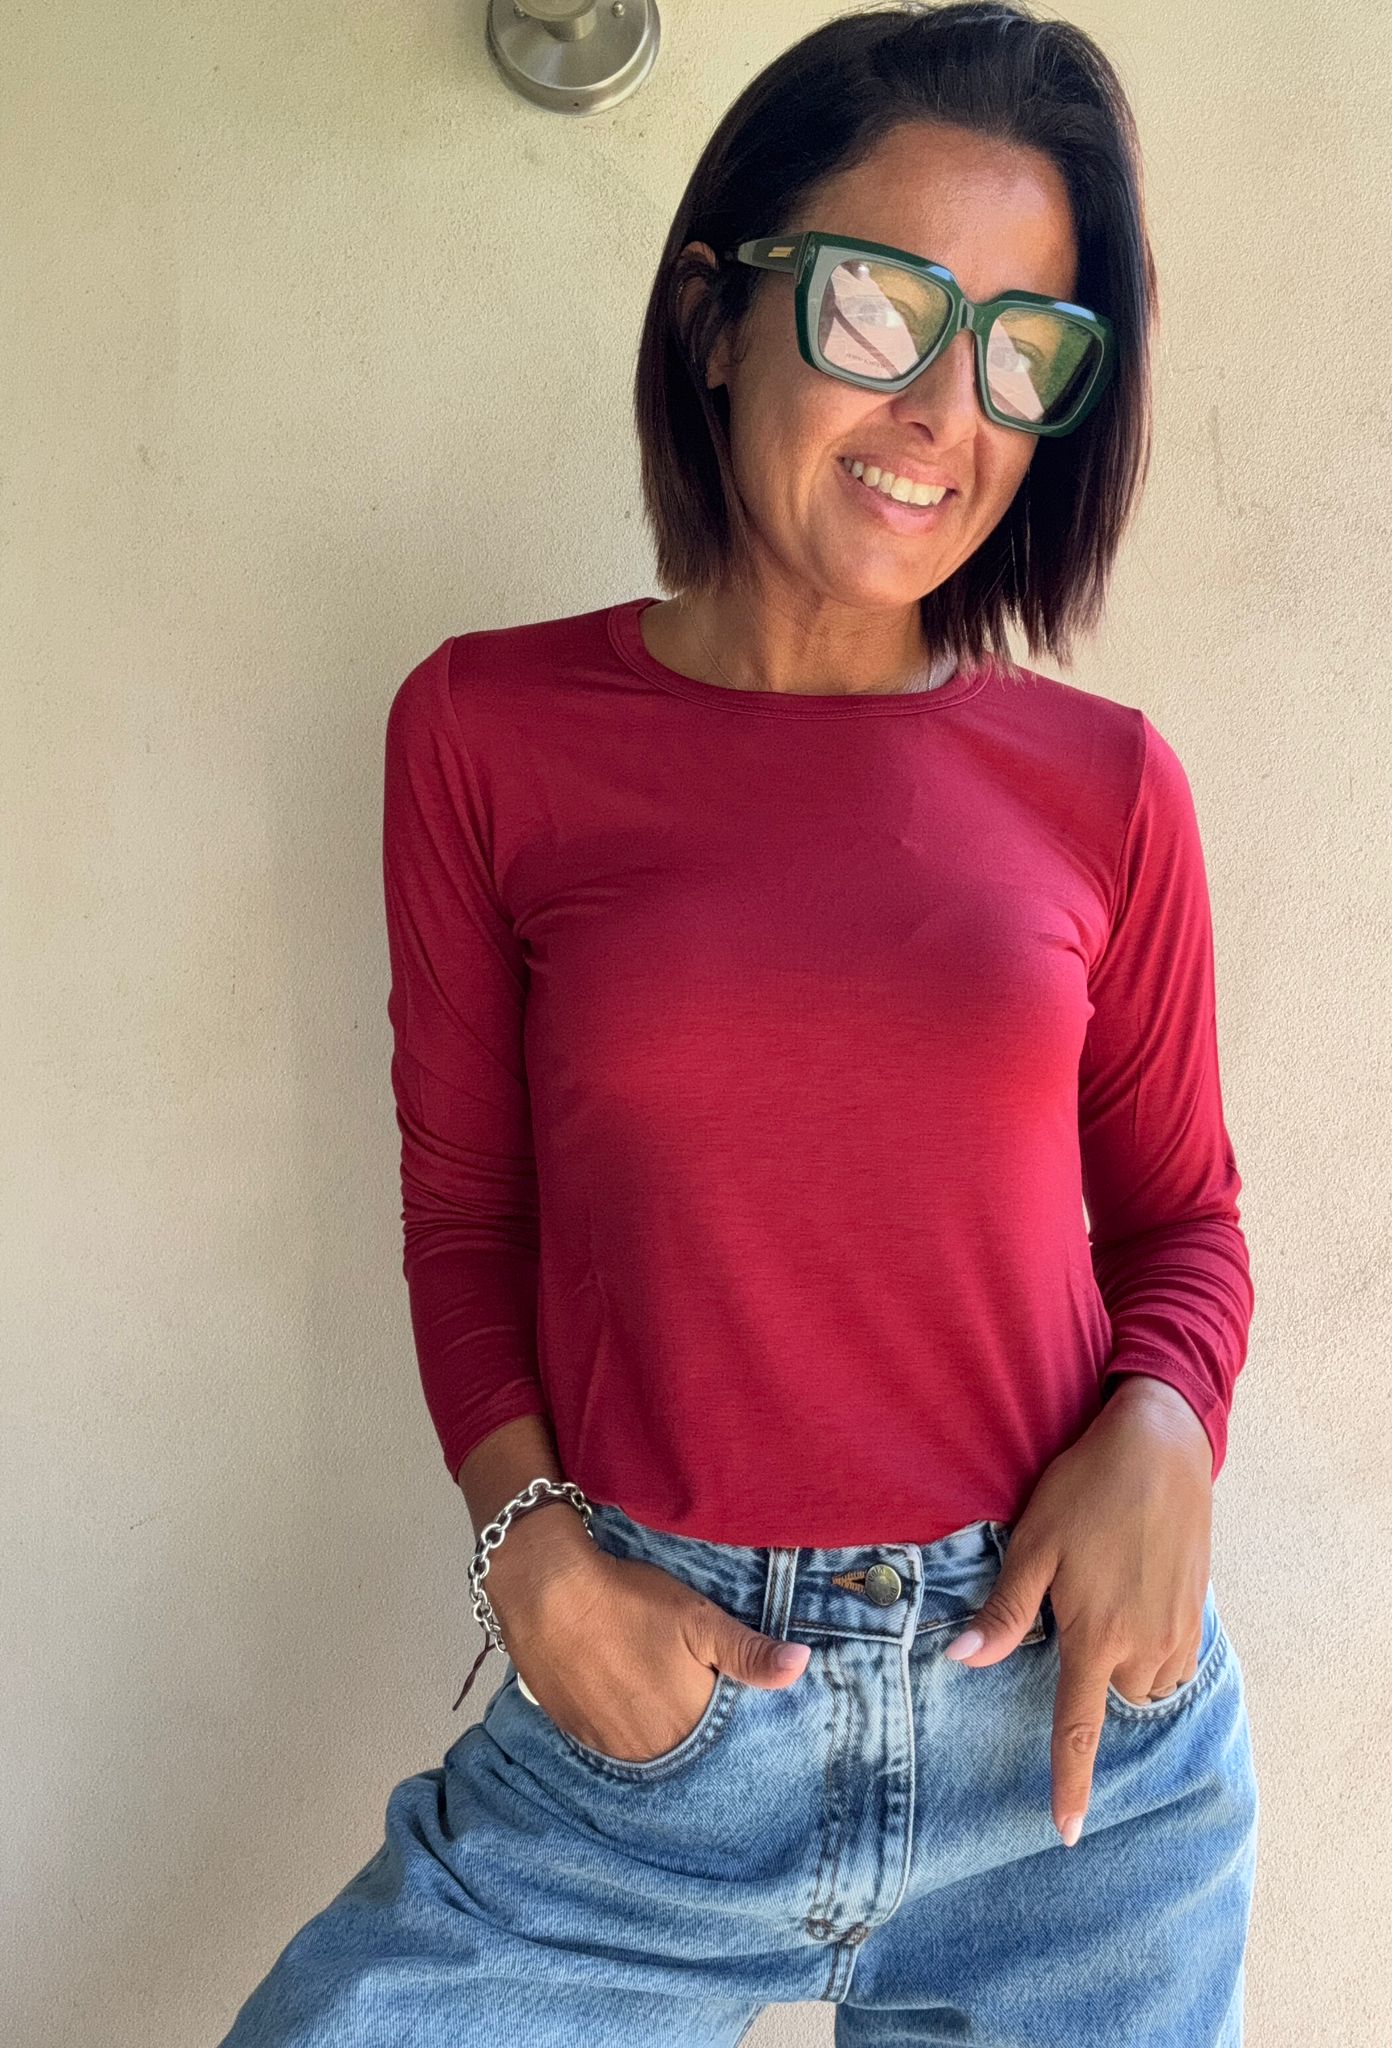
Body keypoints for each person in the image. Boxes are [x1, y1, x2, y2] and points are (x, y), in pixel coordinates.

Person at [219, 4, 1259, 2042]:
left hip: (1067, 1759)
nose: (943, 411)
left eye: (1022, 345)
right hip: (650, 1750)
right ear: (716, 314)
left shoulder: (1109, 787)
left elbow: (1184, 1225)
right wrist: (532, 1555)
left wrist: (1167, 1426)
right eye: (883, 305)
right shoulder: (486, 732)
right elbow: (468, 1214)